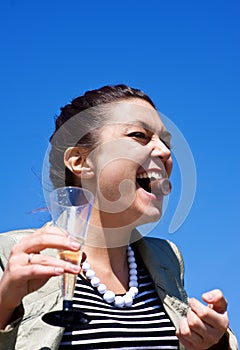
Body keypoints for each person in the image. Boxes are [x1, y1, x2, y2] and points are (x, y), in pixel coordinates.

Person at [0, 84, 238, 350]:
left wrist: (213, 345)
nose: (165, 152)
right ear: (81, 162)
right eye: (139, 135)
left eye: (166, 142)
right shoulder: (11, 255)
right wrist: (3, 306)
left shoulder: (167, 260)